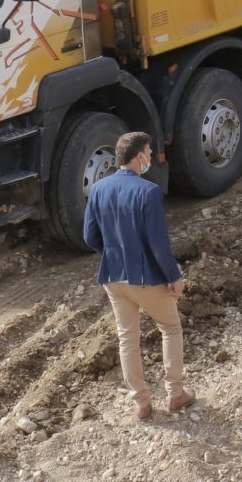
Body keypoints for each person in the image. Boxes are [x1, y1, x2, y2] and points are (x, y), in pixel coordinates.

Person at [83, 131, 195, 421]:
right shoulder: (149, 191)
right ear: (139, 156)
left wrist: (113, 254)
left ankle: (141, 403)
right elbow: (158, 244)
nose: (150, 156)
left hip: (113, 277)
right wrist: (174, 276)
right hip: (145, 278)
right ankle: (175, 394)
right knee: (170, 328)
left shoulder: (98, 189)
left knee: (127, 339)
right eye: (148, 151)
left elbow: (89, 236)